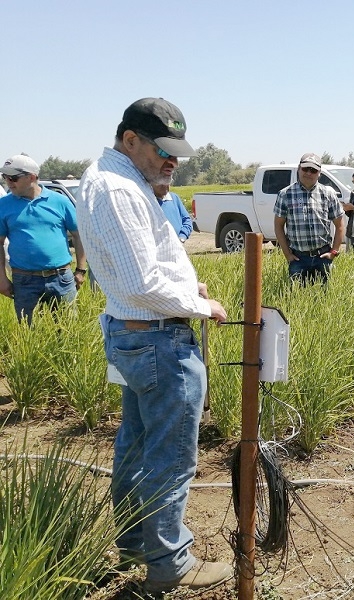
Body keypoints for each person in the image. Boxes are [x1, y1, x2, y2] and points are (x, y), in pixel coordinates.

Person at [76, 97, 232, 593]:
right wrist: (201, 305)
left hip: (134, 335)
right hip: (158, 339)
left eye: (177, 152)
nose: (172, 161)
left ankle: (136, 542)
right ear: (130, 140)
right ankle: (169, 562)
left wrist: (188, 288)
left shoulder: (111, 179)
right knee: (170, 455)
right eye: (163, 150)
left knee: (137, 444)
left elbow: (138, 268)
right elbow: (142, 282)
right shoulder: (119, 189)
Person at [0, 154, 88, 323]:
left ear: (31, 177)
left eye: (13, 178)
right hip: (24, 281)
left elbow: (79, 235)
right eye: (5, 177)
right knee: (29, 332)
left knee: (67, 330)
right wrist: (1, 278)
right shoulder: (3, 205)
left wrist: (81, 270)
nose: (8, 183)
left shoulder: (59, 202)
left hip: (61, 278)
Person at [274, 152, 345, 283]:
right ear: (299, 169)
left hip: (323, 257)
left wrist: (333, 253)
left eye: (313, 170)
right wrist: (287, 255)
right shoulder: (285, 194)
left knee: (326, 299)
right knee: (297, 299)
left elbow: (340, 225)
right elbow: (278, 226)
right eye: (305, 168)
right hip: (298, 259)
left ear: (319, 173)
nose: (308, 173)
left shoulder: (328, 193)